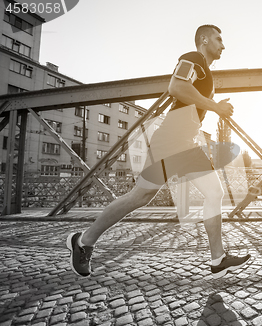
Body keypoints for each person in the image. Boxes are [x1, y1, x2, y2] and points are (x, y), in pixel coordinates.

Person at [67, 25, 251, 279]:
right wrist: (215, 107)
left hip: (185, 142)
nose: (223, 44)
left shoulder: (204, 70)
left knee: (211, 192)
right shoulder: (193, 58)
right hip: (171, 141)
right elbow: (176, 87)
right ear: (204, 39)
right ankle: (83, 241)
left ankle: (218, 259)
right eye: (219, 39)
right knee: (140, 197)